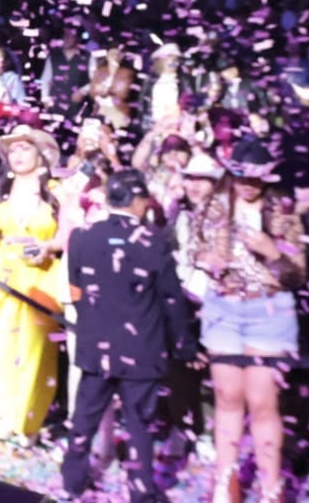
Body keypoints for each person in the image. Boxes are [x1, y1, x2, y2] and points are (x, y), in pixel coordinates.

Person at [60, 169, 195, 503]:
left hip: (95, 344)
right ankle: (141, 491)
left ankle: (72, 481)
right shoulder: (154, 240)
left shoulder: (81, 237)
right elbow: (171, 299)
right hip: (142, 347)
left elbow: (77, 287)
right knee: (139, 423)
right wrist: (184, 345)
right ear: (139, 201)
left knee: (84, 417)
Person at [190, 139, 304, 503]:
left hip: (268, 311)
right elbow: (194, 251)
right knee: (227, 397)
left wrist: (272, 252)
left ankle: (271, 487)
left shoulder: (282, 210)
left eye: (255, 179)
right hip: (223, 309)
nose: (247, 185)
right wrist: (208, 258)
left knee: (262, 402)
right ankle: (226, 482)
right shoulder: (213, 206)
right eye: (240, 176)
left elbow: (298, 275)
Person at [0, 124, 63, 443]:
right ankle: (2, 414)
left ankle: (26, 421)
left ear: (40, 153)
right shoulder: (0, 189)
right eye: (13, 149)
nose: (17, 155)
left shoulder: (57, 189)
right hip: (3, 278)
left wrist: (46, 247)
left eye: (25, 148)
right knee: (0, 347)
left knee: (34, 351)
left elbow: (68, 235)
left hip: (39, 280)